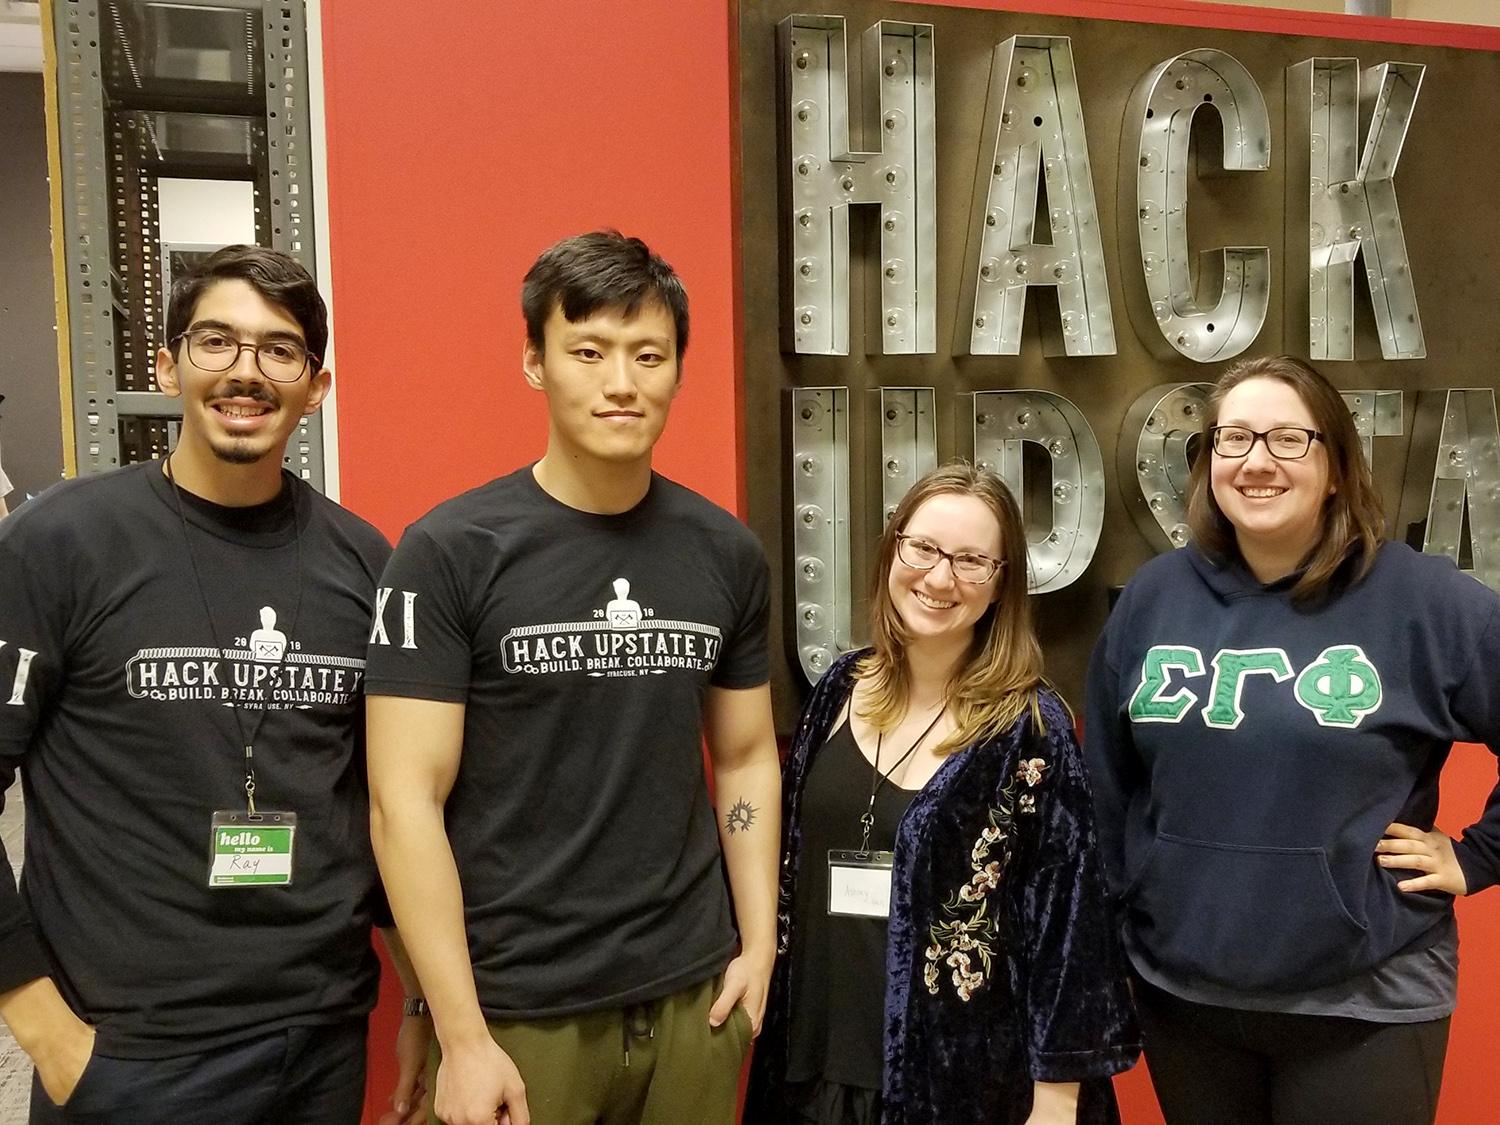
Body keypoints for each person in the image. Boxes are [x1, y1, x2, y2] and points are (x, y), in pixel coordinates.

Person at [365, 230, 780, 1125]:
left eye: (648, 355)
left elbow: (746, 755)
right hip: (520, 1008)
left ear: (677, 369)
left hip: (692, 996)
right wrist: (462, 1034)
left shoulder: (726, 553)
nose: (621, 381)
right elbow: (404, 801)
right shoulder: (447, 553)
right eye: (587, 351)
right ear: (534, 362)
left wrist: (758, 943)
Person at [0, 245, 397, 1124]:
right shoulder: (59, 543)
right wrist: (43, 1028)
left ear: (316, 385)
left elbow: (388, 800)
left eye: (279, 350)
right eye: (217, 342)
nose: (245, 373)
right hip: (130, 1054)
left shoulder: (366, 563)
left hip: (319, 1038)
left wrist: (418, 1001)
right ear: (168, 364)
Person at [1084, 355, 1500, 1125]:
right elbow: (1106, 787)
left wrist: (1477, 857)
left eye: (1288, 438)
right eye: (1233, 439)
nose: (1256, 461)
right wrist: (1124, 909)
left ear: (1337, 465)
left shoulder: (1423, 601)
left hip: (1363, 1001)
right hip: (1187, 998)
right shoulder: (1154, 598)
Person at [747, 462, 1139, 1125]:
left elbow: (1071, 930)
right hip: (810, 1065)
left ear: (1000, 584)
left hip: (961, 1086)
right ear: (893, 546)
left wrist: (1057, 1102)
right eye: (923, 547)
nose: (937, 577)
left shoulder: (1030, 729)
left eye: (970, 560)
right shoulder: (840, 686)